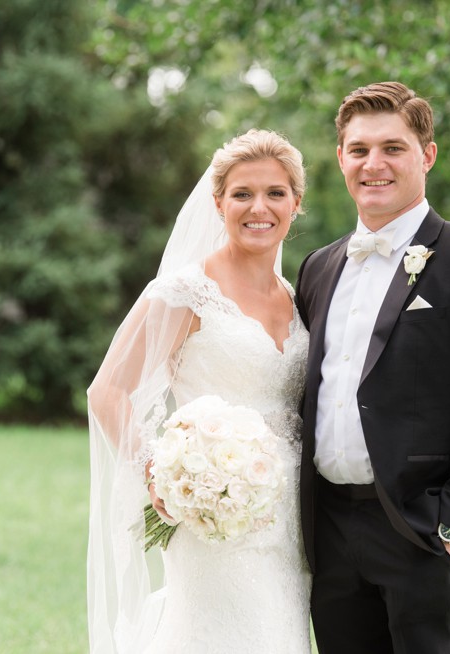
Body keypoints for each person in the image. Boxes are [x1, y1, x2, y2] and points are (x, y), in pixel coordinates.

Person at [295, 81, 450, 654]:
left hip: (420, 533)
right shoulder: (318, 267)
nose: (373, 164)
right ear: (341, 159)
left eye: (392, 148)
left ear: (426, 155)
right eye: (359, 150)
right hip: (329, 531)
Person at [86, 129, 312, 654]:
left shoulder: (297, 298)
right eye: (242, 194)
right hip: (214, 514)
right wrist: (163, 476)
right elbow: (108, 391)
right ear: (218, 204)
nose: (260, 207)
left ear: (296, 204)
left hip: (290, 522)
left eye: (275, 193)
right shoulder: (186, 292)